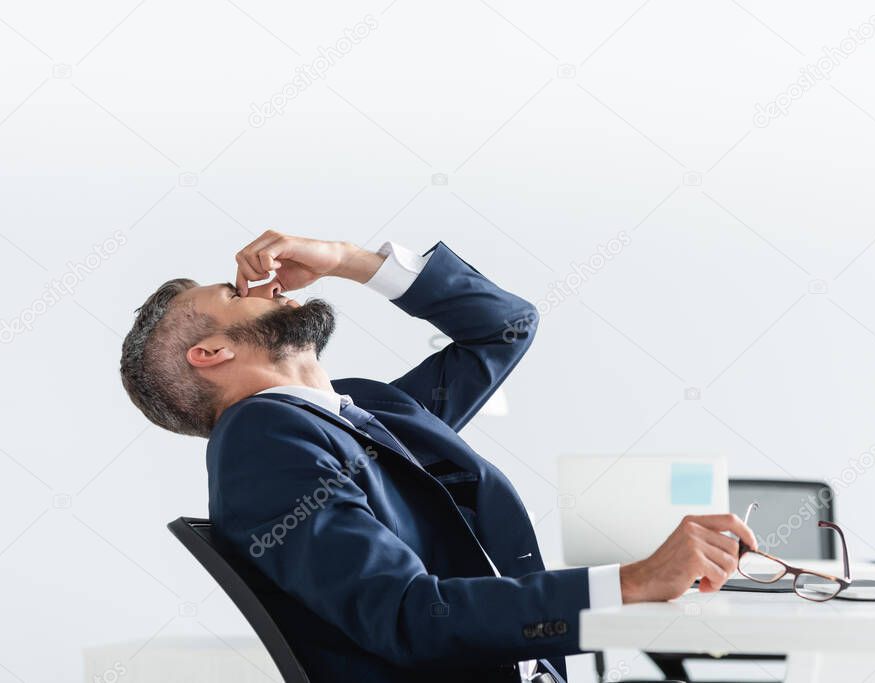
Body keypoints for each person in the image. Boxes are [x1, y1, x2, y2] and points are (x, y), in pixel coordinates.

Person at [119, 232, 757, 683]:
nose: (263, 286)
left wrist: (347, 260)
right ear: (210, 353)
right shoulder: (263, 441)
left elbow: (504, 326)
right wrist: (636, 582)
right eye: (235, 294)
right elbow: (410, 617)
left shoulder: (363, 413)